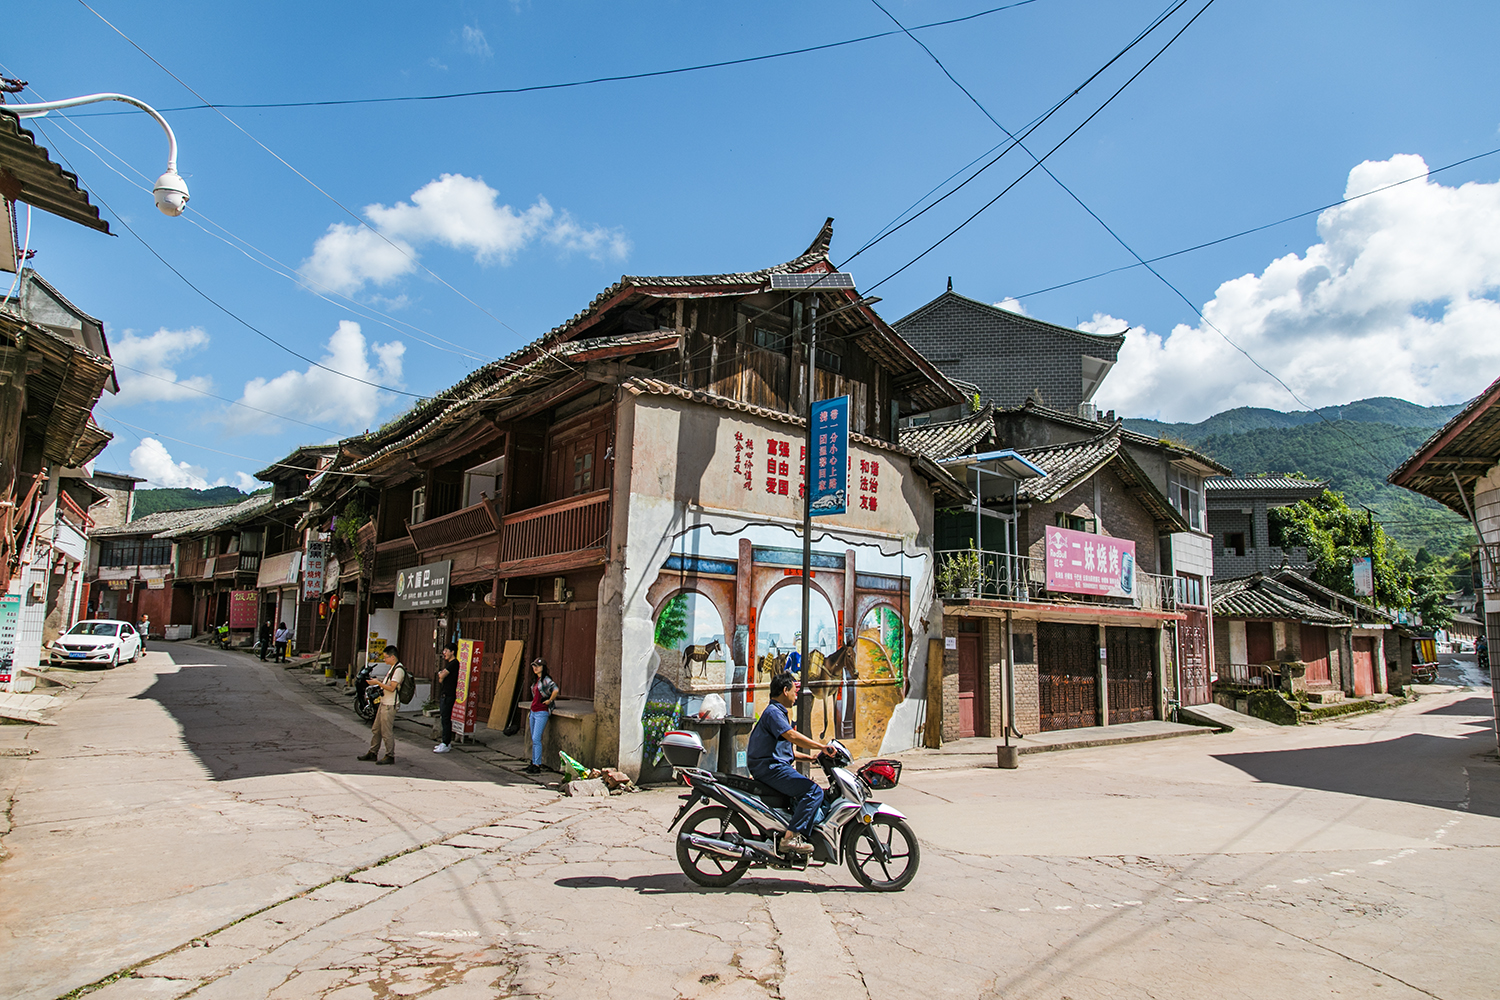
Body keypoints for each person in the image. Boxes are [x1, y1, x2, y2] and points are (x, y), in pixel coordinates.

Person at [748, 673, 834, 855]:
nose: (797, 696)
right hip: (770, 769)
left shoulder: (776, 713)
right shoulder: (774, 713)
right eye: (795, 692)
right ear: (785, 691)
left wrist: (811, 758)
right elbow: (792, 736)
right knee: (813, 791)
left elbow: (785, 751)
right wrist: (822, 746)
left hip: (772, 766)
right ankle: (791, 838)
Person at [357, 648, 404, 765]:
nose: (385, 659)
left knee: (386, 731)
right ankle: (373, 752)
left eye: (386, 657)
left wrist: (378, 683)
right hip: (384, 702)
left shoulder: (398, 670)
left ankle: (390, 755)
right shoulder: (392, 669)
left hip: (390, 704)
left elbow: (392, 688)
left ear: (392, 657)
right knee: (376, 729)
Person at [525, 657, 559, 774]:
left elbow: (555, 689)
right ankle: (533, 761)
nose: (535, 668)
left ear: (543, 668)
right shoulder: (536, 680)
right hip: (534, 711)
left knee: (536, 738)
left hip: (541, 712)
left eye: (538, 666)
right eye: (534, 666)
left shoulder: (546, 680)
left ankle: (537, 764)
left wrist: (549, 700)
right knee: (533, 738)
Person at [434, 641, 460, 753]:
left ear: (452, 652)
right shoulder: (449, 663)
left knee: (445, 718)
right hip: (445, 693)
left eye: (446, 651)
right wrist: (441, 675)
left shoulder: (454, 663)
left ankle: (446, 742)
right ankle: (445, 742)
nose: (444, 653)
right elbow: (440, 678)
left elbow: (442, 675)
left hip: (449, 694)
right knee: (444, 718)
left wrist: (442, 675)